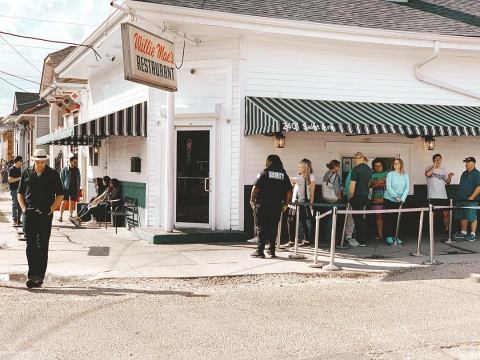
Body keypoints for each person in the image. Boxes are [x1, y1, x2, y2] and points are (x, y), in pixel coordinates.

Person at [17, 149, 64, 288]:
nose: (40, 164)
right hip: (29, 214)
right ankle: (32, 275)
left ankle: (39, 277)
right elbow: (19, 193)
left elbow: (60, 195)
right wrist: (24, 209)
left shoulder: (53, 174)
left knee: (42, 245)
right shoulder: (26, 172)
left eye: (43, 161)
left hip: (45, 215)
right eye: (38, 161)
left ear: (46, 161)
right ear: (34, 161)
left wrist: (51, 209)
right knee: (30, 245)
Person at [250, 155, 293, 258]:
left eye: (266, 161)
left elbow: (255, 188)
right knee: (273, 227)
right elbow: (289, 191)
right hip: (277, 204)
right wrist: (286, 204)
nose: (265, 163)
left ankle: (260, 251)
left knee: (261, 227)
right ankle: (272, 250)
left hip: (263, 204)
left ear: (270, 161)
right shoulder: (283, 174)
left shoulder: (264, 172)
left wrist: (252, 200)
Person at [285, 159, 315, 248]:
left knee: (294, 221)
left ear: (304, 169)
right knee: (299, 222)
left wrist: (283, 173)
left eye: (299, 167)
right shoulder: (302, 178)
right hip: (297, 203)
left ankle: (293, 241)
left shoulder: (302, 179)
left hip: (299, 204)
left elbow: (290, 178)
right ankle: (305, 241)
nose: (297, 168)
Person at [425, 154, 454, 234]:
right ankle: (431, 231)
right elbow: (427, 174)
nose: (438, 161)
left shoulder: (443, 170)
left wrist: (449, 176)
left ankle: (447, 230)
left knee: (446, 213)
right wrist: (434, 166)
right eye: (436, 159)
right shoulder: (429, 168)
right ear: (433, 160)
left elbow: (447, 182)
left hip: (443, 195)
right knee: (432, 214)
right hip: (432, 195)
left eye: (440, 159)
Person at [453, 157, 480, 242]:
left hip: (471, 200)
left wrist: (472, 197)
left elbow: (479, 187)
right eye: (466, 162)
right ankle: (463, 232)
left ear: (473, 163)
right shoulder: (464, 173)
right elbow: (461, 185)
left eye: (468, 162)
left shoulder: (477, 174)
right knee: (462, 216)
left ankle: (473, 234)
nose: (466, 164)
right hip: (461, 199)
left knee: (472, 216)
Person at [383, 158, 409, 245]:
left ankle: (396, 236)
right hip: (389, 199)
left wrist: (403, 198)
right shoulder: (390, 174)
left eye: (397, 163)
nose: (395, 165)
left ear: (401, 164)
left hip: (400, 200)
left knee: (397, 219)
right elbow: (388, 187)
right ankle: (389, 236)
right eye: (394, 163)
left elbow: (407, 188)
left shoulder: (405, 175)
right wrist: (396, 196)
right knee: (389, 219)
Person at [348, 152, 371, 247]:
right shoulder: (369, 169)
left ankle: (360, 240)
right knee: (361, 217)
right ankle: (362, 239)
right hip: (365, 195)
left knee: (357, 219)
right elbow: (369, 183)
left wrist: (350, 196)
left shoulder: (355, 169)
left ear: (356, 159)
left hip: (357, 196)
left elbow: (352, 186)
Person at [370, 158, 388, 241]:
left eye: (379, 166)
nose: (377, 168)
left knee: (388, 216)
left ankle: (388, 234)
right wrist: (381, 182)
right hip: (376, 199)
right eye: (375, 166)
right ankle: (380, 235)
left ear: (382, 166)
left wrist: (376, 183)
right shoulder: (372, 175)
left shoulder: (387, 173)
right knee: (378, 217)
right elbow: (369, 185)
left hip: (387, 198)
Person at [58, 155, 81, 222]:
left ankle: (70, 216)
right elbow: (61, 179)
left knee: (72, 202)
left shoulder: (77, 170)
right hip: (65, 188)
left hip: (74, 188)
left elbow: (79, 179)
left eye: (76, 162)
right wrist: (61, 189)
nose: (76, 164)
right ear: (70, 162)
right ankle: (60, 216)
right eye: (74, 162)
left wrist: (78, 188)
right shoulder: (64, 169)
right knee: (64, 202)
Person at [8, 156, 23, 225]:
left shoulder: (19, 169)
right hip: (14, 189)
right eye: (21, 161)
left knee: (20, 204)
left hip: (20, 189)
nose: (21, 163)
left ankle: (19, 219)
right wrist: (19, 178)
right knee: (15, 204)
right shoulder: (11, 169)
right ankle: (15, 219)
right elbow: (10, 180)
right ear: (17, 162)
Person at [343, 170, 356, 245]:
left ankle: (350, 235)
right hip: (354, 198)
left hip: (354, 198)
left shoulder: (352, 172)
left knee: (351, 218)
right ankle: (349, 235)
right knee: (351, 218)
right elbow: (348, 186)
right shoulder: (352, 172)